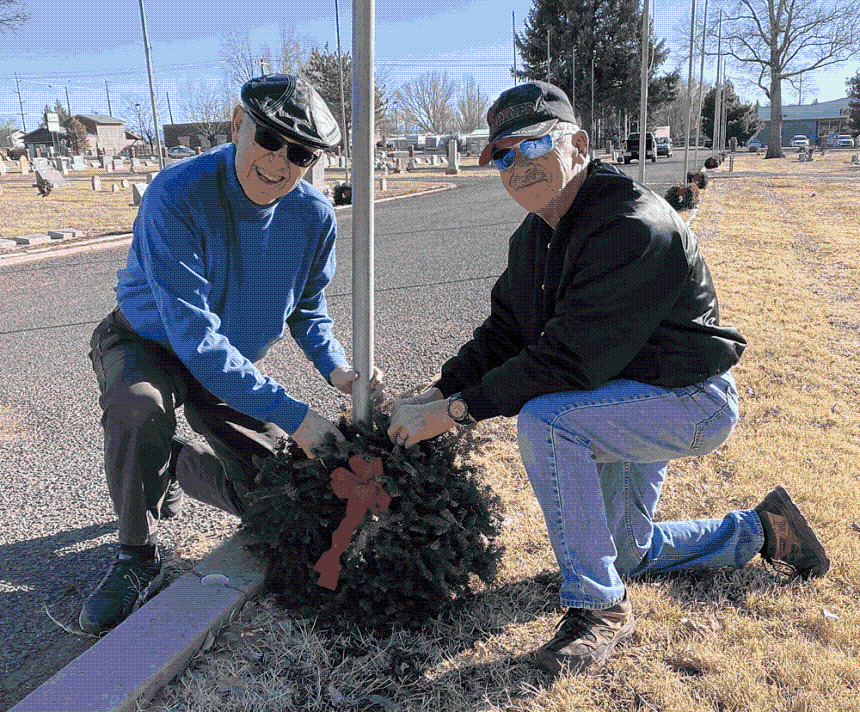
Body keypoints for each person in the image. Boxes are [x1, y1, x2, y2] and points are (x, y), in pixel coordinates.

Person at [387, 81, 829, 675]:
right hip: (621, 398)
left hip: (688, 399)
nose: (520, 165)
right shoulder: (536, 236)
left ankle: (597, 608)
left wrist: (455, 412)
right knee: (626, 553)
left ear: (579, 143)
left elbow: (568, 361)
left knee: (548, 421)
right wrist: (435, 391)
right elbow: (503, 335)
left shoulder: (632, 224)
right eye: (504, 154)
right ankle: (761, 532)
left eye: (535, 144)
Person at [80, 74, 382, 635]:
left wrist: (338, 367)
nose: (279, 163)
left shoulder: (313, 217)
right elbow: (193, 337)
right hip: (148, 343)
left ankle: (172, 467)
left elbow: (307, 309)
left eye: (300, 153)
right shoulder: (177, 194)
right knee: (140, 407)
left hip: (228, 363)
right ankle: (136, 553)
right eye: (269, 139)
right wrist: (298, 418)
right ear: (238, 124)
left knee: (270, 498)